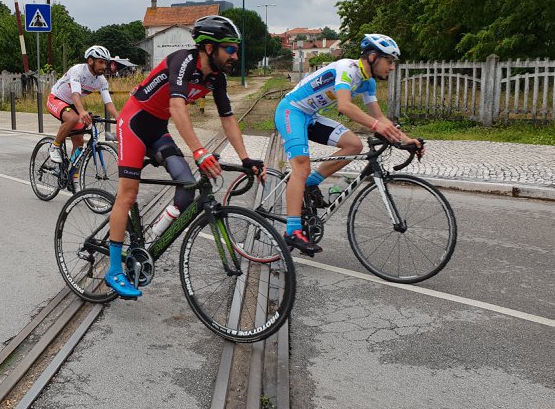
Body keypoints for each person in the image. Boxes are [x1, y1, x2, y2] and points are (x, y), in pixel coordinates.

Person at [104, 15, 266, 299]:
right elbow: (177, 107)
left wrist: (245, 158)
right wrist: (199, 151)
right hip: (133, 124)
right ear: (208, 48)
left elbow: (228, 119)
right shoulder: (182, 62)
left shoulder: (216, 78)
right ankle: (114, 269)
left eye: (235, 49)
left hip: (157, 130)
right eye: (229, 48)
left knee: (187, 186)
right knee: (127, 195)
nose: (235, 55)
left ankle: (151, 239)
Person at [274, 33, 423, 255]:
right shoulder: (347, 68)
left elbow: (380, 119)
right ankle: (292, 231)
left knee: (354, 145)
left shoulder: (367, 82)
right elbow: (344, 106)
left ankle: (310, 183)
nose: (392, 67)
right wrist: (376, 126)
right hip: (291, 111)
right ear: (373, 57)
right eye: (389, 61)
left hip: (311, 116)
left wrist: (406, 139)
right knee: (301, 167)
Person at [46, 45, 119, 166]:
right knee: (73, 118)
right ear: (90, 61)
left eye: (105, 63)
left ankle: (73, 178)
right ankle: (55, 146)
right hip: (56, 99)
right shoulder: (78, 71)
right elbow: (75, 94)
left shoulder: (101, 80)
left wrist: (118, 117)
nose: (104, 66)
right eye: (100, 62)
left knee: (79, 142)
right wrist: (82, 112)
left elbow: (109, 103)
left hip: (72, 105)